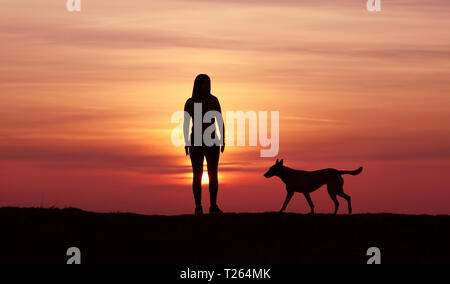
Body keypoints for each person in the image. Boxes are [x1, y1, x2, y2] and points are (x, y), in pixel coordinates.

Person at [183, 74, 225, 215]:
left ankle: (213, 205)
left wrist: (223, 139)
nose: (208, 86)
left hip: (213, 140)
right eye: (205, 83)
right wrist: (186, 142)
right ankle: (198, 206)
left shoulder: (214, 100)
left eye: (209, 83)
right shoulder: (190, 102)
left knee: (213, 174)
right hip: (196, 141)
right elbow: (186, 123)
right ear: (198, 85)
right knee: (197, 174)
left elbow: (220, 120)